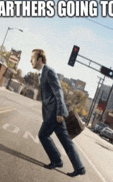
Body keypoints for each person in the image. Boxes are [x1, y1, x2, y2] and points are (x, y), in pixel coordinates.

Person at [30, 49, 85, 177]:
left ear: (40, 60)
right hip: (53, 113)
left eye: (33, 58)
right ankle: (79, 167)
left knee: (43, 135)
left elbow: (59, 92)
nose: (31, 60)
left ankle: (56, 160)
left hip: (55, 114)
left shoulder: (48, 71)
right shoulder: (41, 73)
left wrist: (59, 112)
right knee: (66, 141)